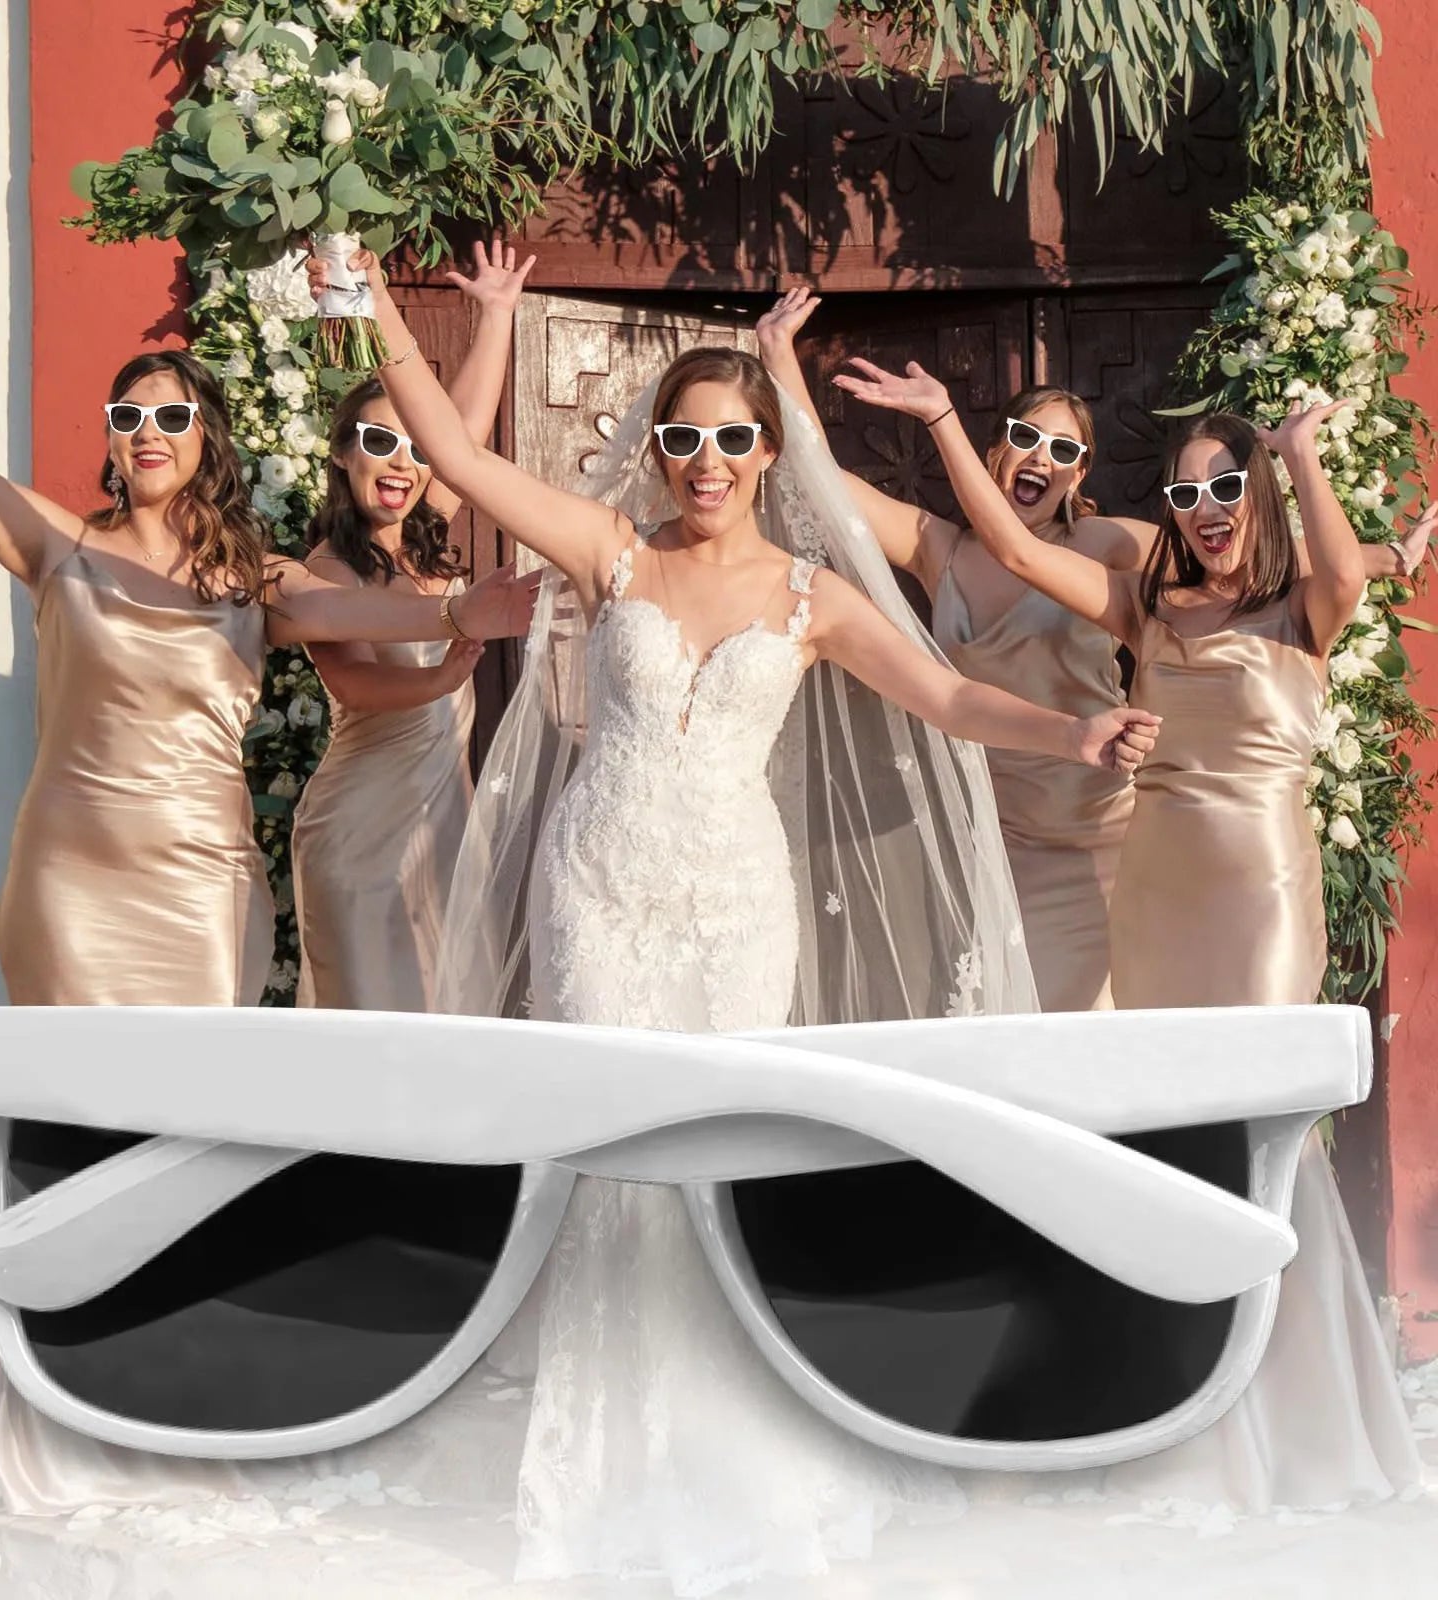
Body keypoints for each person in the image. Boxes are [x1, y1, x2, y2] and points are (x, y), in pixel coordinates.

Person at [339, 249, 1161, 1592]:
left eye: (732, 437)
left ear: (768, 452)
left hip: (733, 899)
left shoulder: (811, 596)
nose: (707, 459)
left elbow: (948, 702)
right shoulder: (610, 553)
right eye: (684, 437)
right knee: (611, 1156)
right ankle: (606, 1465)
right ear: (656, 452)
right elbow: (451, 448)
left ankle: (742, 1454)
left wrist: (1076, 734)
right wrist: (369, 289)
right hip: (598, 883)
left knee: (724, 1160)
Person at [0, 272, 537, 1507]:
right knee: (71, 1140)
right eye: (129, 418)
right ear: (114, 443)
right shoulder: (56, 547)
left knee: (191, 1145)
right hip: (71, 882)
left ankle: (181, 1400)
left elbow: (350, 604)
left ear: (204, 439)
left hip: (207, 886)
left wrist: (453, 607)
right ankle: (63, 1409)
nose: (147, 433)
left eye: (169, 416)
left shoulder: (257, 578)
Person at [838, 351, 1421, 1513]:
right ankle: (1163, 1392)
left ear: (1253, 498)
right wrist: (950, 420)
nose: (1202, 512)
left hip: (1258, 895)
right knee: (1160, 1124)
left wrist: (1299, 457)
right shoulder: (1147, 602)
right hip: (1149, 889)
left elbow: (1348, 561)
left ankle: (1281, 1402)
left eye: (1223, 489)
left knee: (1255, 1126)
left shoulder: (1307, 602)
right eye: (1183, 494)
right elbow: (1008, 550)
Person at [757, 287, 1435, 1012]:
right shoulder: (939, 550)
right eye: (1026, 437)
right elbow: (831, 486)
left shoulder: (1112, 548)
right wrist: (777, 361)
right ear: (994, 450)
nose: (1042, 459)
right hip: (1006, 835)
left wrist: (1386, 554)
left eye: (1065, 450)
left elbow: (1264, 547)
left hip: (1110, 834)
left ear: (1080, 475)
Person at [292, 241, 534, 1010]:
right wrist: (442, 675)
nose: (400, 462)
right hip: (363, 826)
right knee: (374, 1027)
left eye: (410, 447)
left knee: (452, 1022)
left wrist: (495, 315)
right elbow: (355, 682)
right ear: (341, 454)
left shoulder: (428, 524)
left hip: (447, 827)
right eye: (377, 442)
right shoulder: (329, 567)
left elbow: (458, 438)